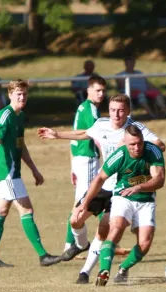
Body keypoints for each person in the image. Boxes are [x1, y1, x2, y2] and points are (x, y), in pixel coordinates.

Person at [38, 94, 165, 283]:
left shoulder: (135, 130)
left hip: (122, 189)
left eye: (121, 110)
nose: (116, 114)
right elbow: (84, 134)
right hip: (104, 184)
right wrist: (57, 135)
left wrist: (134, 145)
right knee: (75, 219)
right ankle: (81, 244)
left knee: (105, 229)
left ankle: (86, 272)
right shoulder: (101, 124)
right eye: (113, 109)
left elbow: (160, 145)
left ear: (128, 111)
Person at [0, 79, 61, 268]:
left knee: (0, 211)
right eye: (18, 94)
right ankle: (43, 255)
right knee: (26, 210)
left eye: (24, 94)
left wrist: (34, 169)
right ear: (10, 95)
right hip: (7, 172)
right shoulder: (5, 115)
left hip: (14, 171)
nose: (22, 97)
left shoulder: (20, 116)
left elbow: (20, 145)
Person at [75, 124, 166, 286]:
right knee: (116, 227)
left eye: (139, 143)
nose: (137, 147)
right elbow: (99, 179)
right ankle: (104, 271)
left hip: (146, 201)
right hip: (122, 197)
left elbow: (159, 179)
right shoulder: (119, 155)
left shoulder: (153, 151)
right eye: (132, 144)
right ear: (124, 142)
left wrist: (139, 187)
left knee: (144, 244)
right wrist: (85, 202)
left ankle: (123, 269)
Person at [63, 75, 106, 254]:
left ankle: (105, 239)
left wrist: (72, 165)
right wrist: (108, 158)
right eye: (97, 90)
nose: (101, 94)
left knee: (91, 200)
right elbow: (96, 137)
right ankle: (74, 245)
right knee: (84, 203)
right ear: (88, 90)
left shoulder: (82, 107)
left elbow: (74, 138)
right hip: (87, 159)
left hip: (80, 160)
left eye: (103, 90)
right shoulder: (90, 111)